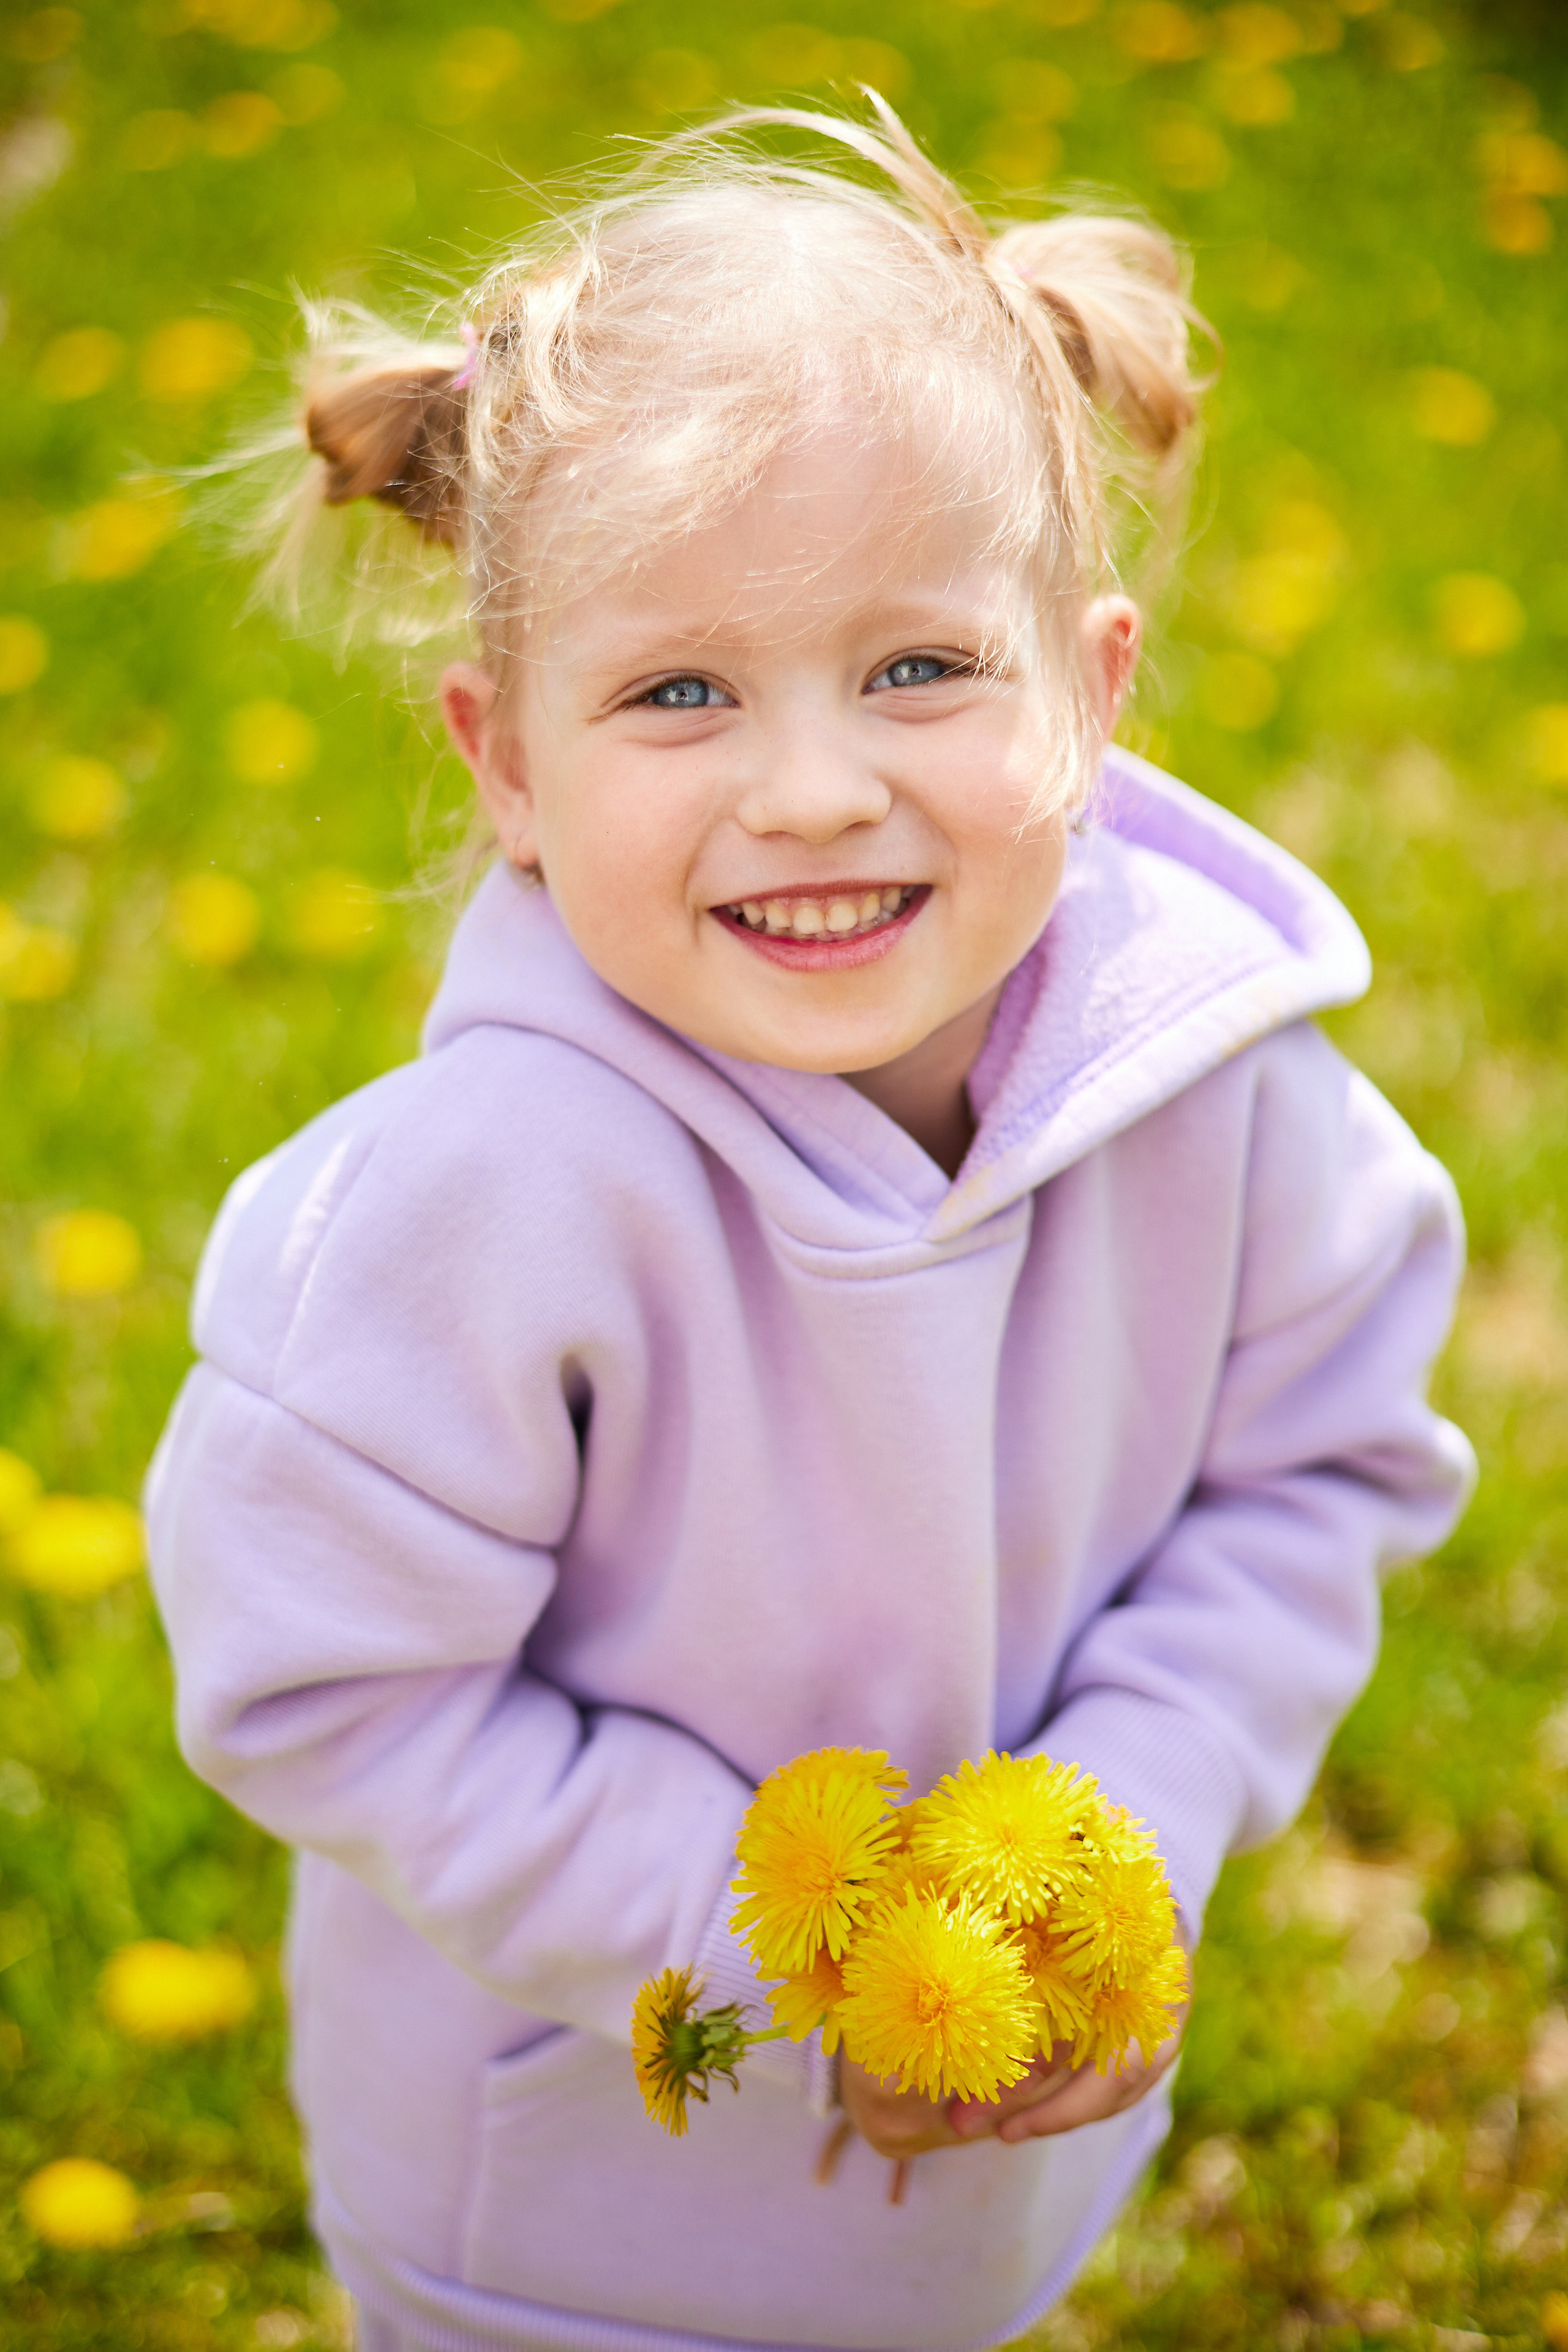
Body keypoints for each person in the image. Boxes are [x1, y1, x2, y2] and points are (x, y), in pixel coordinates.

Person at [145, 100, 1474, 2352]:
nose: (814, 787)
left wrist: (1120, 1830)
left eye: (920, 669)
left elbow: (1312, 1477)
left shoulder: (1232, 1098)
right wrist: (802, 1947)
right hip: (572, 2222)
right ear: (505, 763)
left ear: (1095, 680)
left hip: (999, 2182)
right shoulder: (479, 1205)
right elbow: (333, 1690)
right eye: (678, 693)